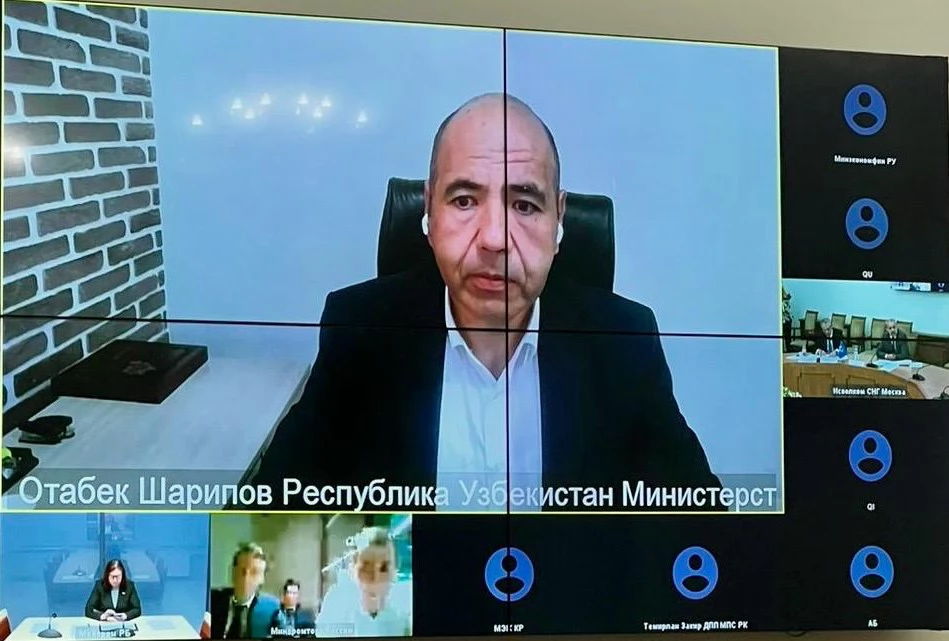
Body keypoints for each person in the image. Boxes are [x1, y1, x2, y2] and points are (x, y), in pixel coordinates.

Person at [253, 92, 719, 510]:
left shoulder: (623, 343)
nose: (494, 239)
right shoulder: (360, 331)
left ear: (559, 220)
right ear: (428, 210)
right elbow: (270, 511)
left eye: (525, 205)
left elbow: (702, 528)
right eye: (463, 200)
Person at [315, 527, 410, 637]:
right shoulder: (336, 604)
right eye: (367, 567)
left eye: (384, 568)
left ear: (394, 572)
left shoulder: (402, 616)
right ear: (353, 569)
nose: (375, 577)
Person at [209, 543, 280, 639]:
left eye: (254, 572)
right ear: (233, 572)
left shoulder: (272, 611)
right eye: (242, 571)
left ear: (262, 579)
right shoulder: (211, 601)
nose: (246, 578)